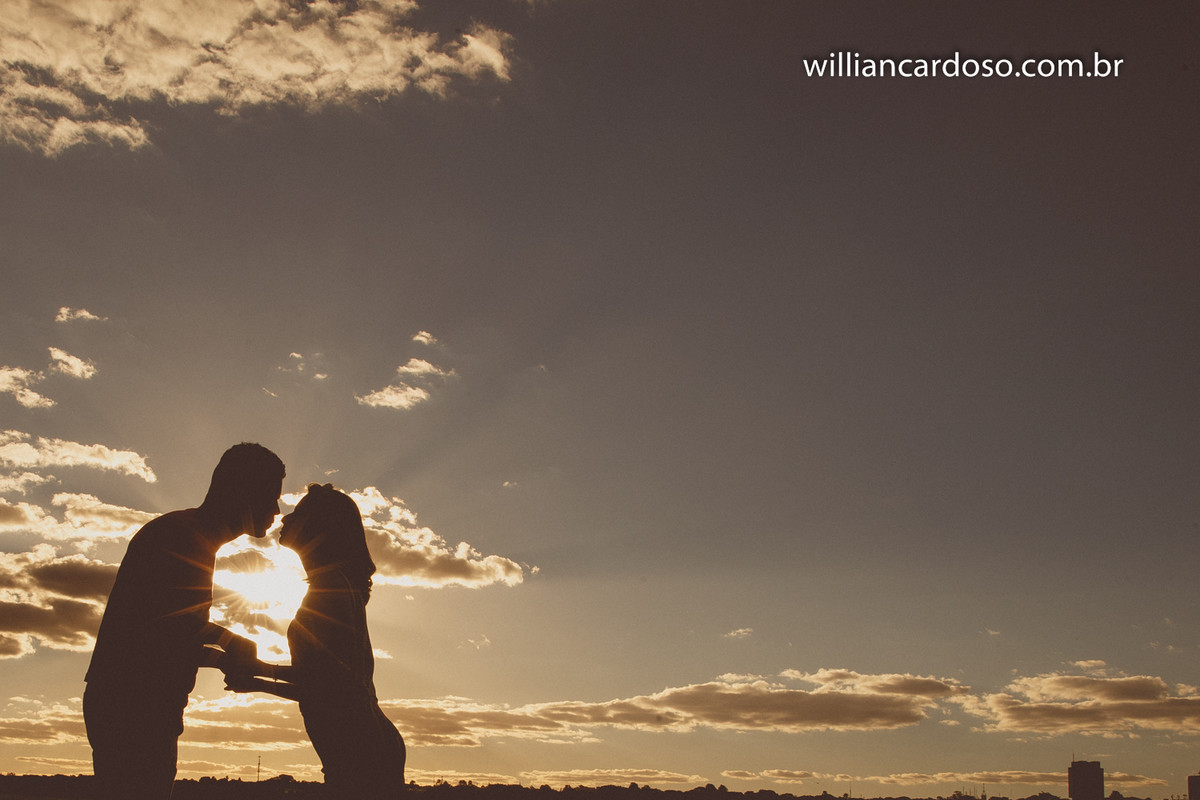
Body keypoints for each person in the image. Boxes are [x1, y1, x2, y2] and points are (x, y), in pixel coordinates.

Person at [84, 442, 285, 800]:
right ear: (243, 491)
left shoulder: (189, 535)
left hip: (141, 700)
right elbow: (165, 633)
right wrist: (230, 643)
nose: (276, 510)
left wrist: (225, 655)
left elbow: (170, 637)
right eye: (270, 496)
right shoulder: (181, 537)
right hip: (133, 704)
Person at [224, 483, 406, 798]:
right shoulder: (334, 583)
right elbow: (326, 683)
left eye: (299, 514)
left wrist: (259, 673)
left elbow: (328, 683)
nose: (285, 518)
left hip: (358, 751)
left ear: (321, 527)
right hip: (360, 745)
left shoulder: (328, 588)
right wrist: (257, 676)